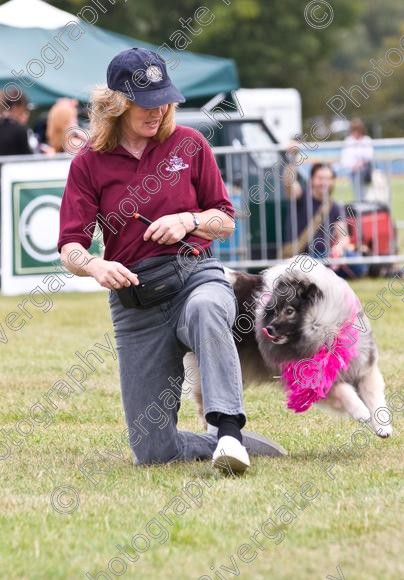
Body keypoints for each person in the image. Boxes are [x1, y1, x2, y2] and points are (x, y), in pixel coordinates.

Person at [57, 47, 285, 474]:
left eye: (164, 98)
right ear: (117, 104)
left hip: (195, 277)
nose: (158, 110)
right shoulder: (88, 163)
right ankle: (214, 441)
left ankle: (230, 433)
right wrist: (94, 266)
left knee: (207, 309)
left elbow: (225, 220)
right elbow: (70, 245)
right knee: (152, 453)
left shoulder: (191, 144)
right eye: (146, 102)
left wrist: (188, 220)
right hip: (136, 301)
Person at [283, 162, 368, 278]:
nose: (324, 183)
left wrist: (338, 249)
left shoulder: (335, 207)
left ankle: (326, 272)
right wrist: (291, 159)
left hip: (325, 255)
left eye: (328, 179)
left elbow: (344, 237)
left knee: (359, 264)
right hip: (302, 255)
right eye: (320, 178)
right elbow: (288, 183)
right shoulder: (301, 196)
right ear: (312, 180)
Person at [341, 118, 374, 201]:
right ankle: (360, 202)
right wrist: (353, 165)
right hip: (351, 170)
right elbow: (345, 158)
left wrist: (361, 163)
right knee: (357, 189)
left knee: (361, 187)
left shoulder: (367, 140)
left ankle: (362, 202)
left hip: (364, 169)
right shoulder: (348, 141)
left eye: (357, 130)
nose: (355, 133)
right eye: (353, 130)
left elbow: (369, 156)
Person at [0, 90, 33, 155]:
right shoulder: (19, 130)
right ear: (15, 107)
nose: (25, 114)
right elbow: (27, 156)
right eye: (24, 109)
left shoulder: (18, 129)